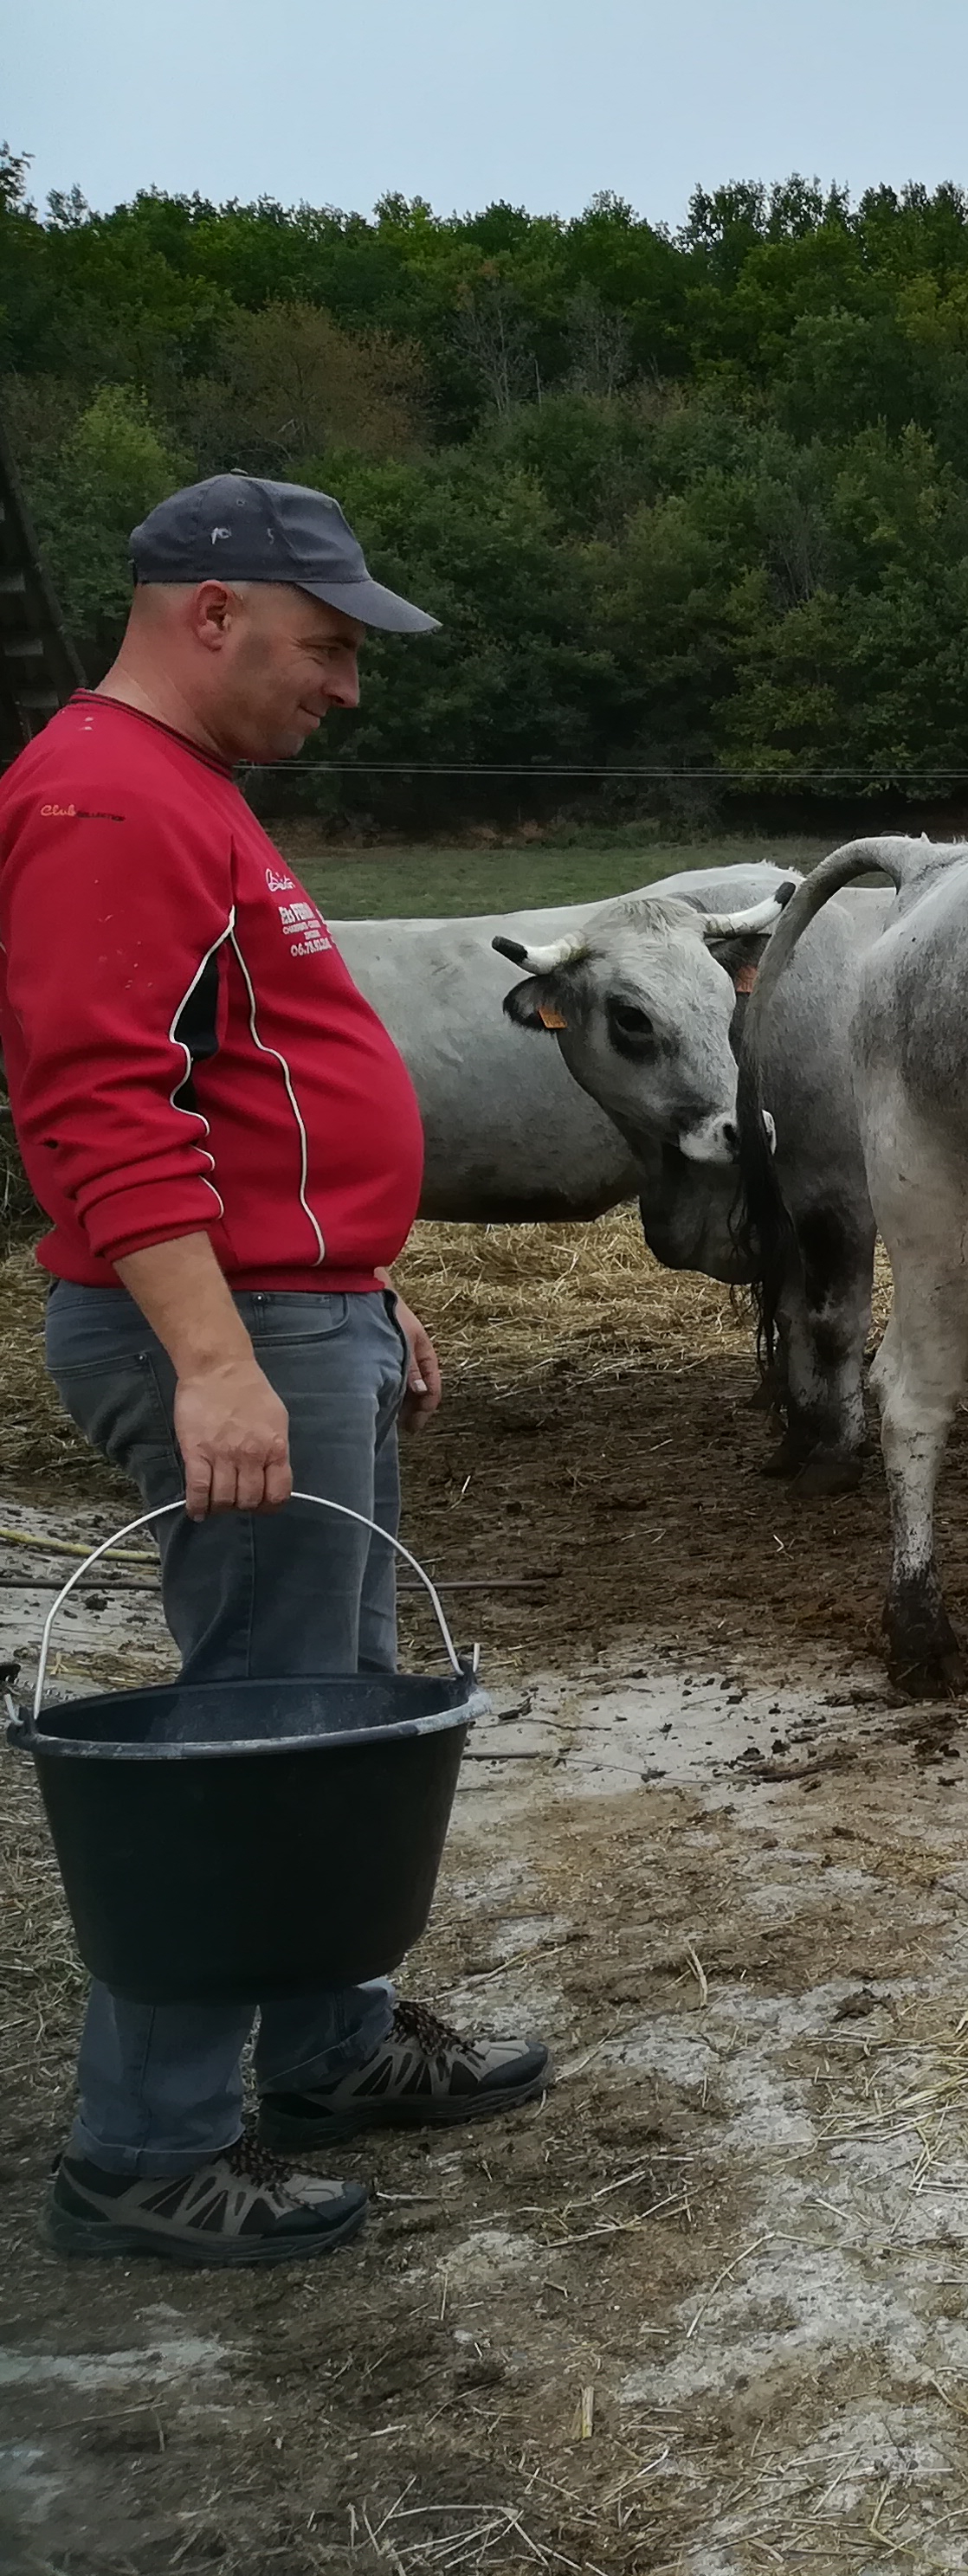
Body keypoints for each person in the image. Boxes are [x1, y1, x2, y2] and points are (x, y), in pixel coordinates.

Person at [1, 474, 552, 2265]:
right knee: (246, 1721)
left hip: (290, 1311)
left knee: (330, 1700)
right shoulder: (104, 798)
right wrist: (219, 1359)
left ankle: (321, 2046)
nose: (347, 686)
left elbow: (244, 1089)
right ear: (211, 612)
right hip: (222, 1330)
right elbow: (94, 1104)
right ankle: (147, 2145)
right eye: (325, 647)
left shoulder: (189, 796)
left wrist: (349, 1284)